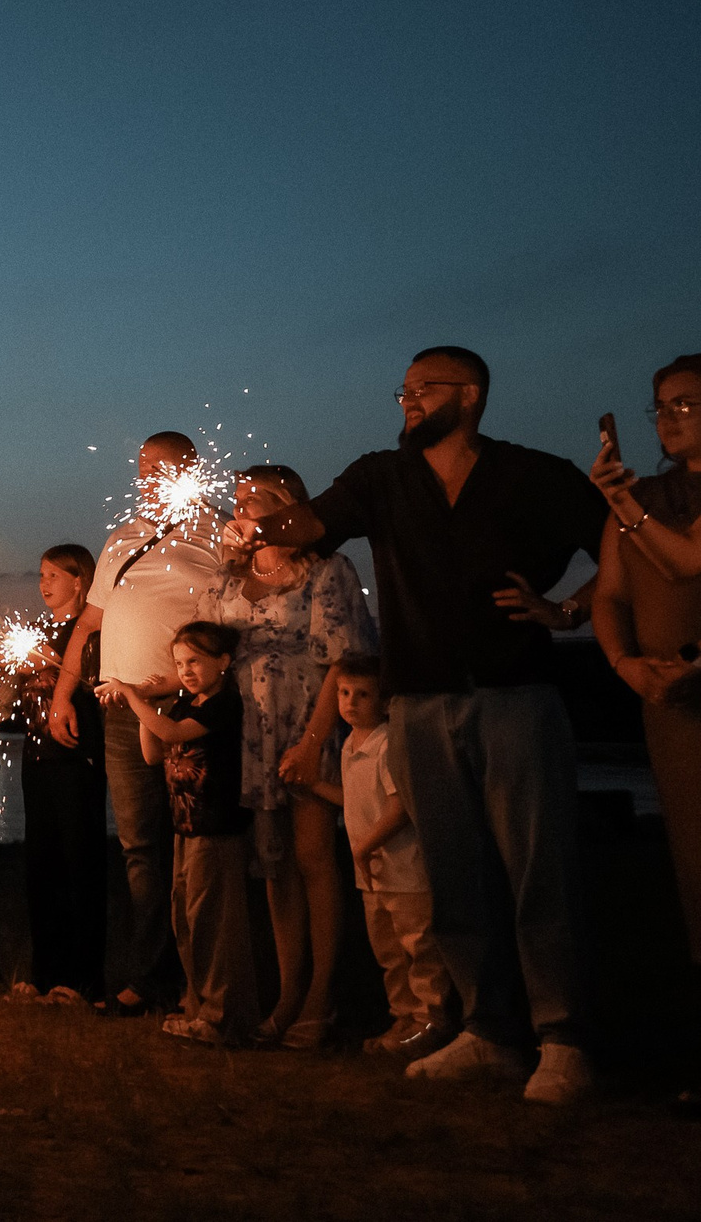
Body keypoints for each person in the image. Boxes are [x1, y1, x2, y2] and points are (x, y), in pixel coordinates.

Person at [228, 347, 608, 1104]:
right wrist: (261, 523)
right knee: (453, 871)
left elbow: (621, 548)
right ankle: (490, 1030)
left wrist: (568, 611)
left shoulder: (534, 475)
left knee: (538, 867)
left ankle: (564, 1038)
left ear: (467, 395)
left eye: (421, 388)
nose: (406, 399)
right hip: (421, 702)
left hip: (514, 692)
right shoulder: (381, 476)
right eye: (400, 388)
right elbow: (315, 520)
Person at [48, 433, 221, 1017]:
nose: (145, 475)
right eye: (141, 465)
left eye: (159, 465)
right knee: (140, 844)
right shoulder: (121, 538)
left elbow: (231, 630)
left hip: (184, 706)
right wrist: (64, 694)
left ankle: (201, 976)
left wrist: (175, 686)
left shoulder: (218, 534)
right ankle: (150, 978)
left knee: (197, 842)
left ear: (191, 470)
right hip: (120, 711)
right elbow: (88, 625)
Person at [206, 463, 376, 1050]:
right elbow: (204, 644)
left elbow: (344, 659)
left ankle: (321, 997)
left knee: (313, 859)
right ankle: (286, 994)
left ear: (289, 507)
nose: (244, 506)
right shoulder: (228, 580)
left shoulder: (327, 571)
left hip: (307, 723)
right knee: (274, 865)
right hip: (250, 733)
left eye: (258, 498)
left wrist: (311, 743)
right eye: (239, 498)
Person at [588, 352, 701, 1114]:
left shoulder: (641, 503)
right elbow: (611, 592)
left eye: (688, 403)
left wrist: (626, 504)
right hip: (670, 704)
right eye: (662, 404)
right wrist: (627, 663)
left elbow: (688, 562)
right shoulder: (641, 497)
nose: (669, 416)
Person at [99, 620, 257, 1045]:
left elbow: (172, 734)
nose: (185, 670)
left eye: (195, 661)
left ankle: (224, 1016)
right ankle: (197, 1006)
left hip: (217, 828)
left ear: (223, 661)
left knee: (213, 923)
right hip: (185, 828)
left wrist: (134, 695)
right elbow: (153, 752)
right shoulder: (188, 703)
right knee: (185, 918)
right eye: (179, 662)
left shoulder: (222, 704)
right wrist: (146, 703)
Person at [309, 656, 452, 1061]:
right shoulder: (352, 745)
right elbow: (355, 801)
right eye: (343, 693)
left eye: (362, 694)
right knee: (390, 954)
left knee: (419, 951)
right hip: (372, 875)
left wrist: (364, 846)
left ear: (385, 701)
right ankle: (404, 1022)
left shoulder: (388, 744)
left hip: (405, 872)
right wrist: (315, 785)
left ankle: (432, 1022)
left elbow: (399, 806)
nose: (350, 702)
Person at [5, 544, 107, 1005]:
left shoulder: (93, 633)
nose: (43, 583)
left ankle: (83, 978)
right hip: (37, 760)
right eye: (40, 574)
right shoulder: (38, 630)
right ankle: (45, 973)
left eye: (52, 575)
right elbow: (9, 671)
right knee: (40, 868)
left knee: (79, 866)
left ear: (79, 580)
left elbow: (91, 686)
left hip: (75, 760)